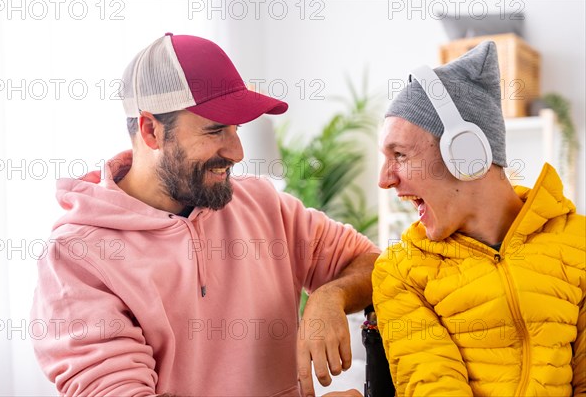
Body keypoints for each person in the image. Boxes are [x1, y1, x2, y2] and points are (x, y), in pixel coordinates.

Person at [30, 33, 380, 397]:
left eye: (236, 129)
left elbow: (372, 264)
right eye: (215, 130)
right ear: (151, 130)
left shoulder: (261, 202)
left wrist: (331, 296)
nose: (237, 152)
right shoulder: (76, 259)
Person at [372, 41, 585, 396]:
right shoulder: (401, 270)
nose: (385, 179)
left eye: (400, 154)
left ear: (465, 151)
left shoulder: (577, 243)